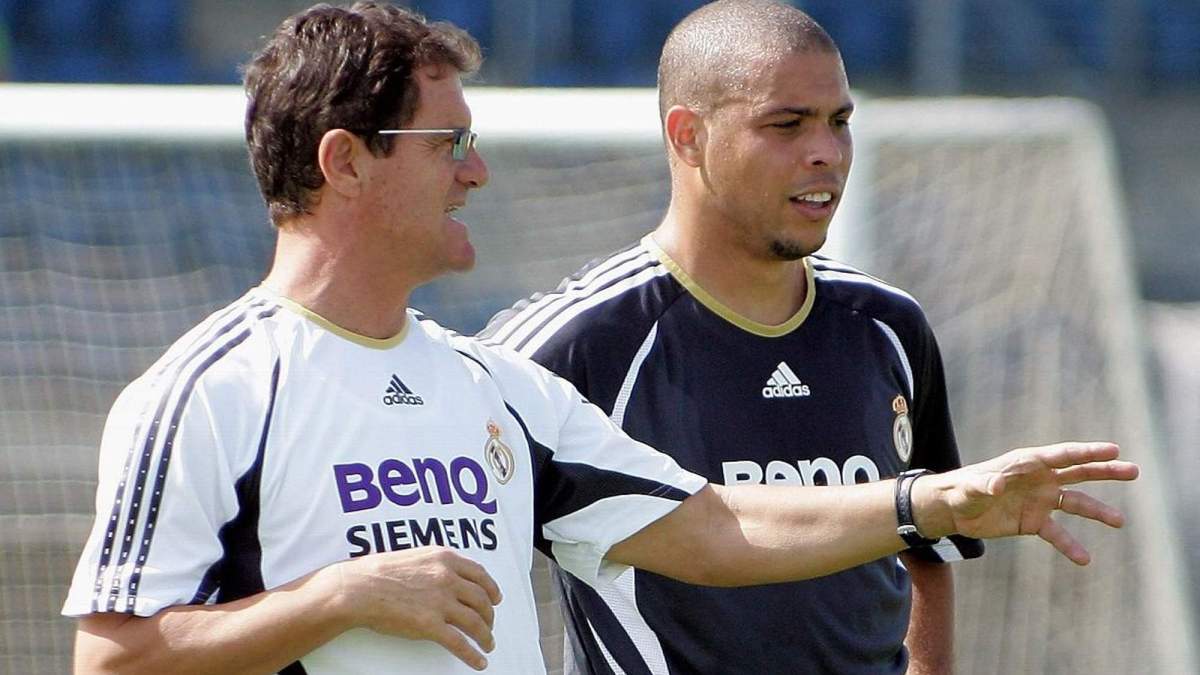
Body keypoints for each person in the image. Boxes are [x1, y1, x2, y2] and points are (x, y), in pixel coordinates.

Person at [61, 3, 1137, 674]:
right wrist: (335, 599)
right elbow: (110, 660)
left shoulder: (495, 386)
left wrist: (926, 502)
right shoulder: (209, 391)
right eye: (450, 144)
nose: (478, 171)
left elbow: (711, 528)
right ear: (346, 163)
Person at [479, 1, 1050, 673]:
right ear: (689, 136)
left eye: (840, 122)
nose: (827, 153)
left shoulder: (889, 326)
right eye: (787, 124)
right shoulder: (570, 346)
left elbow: (926, 552)